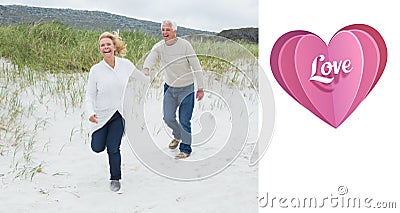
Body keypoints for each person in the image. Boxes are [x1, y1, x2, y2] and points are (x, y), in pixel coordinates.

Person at [85, 31, 138, 192]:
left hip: (120, 114)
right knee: (97, 147)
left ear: (114, 47)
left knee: (113, 147)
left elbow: (138, 81)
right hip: (101, 115)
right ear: (100, 49)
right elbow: (90, 95)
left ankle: (115, 178)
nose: (106, 47)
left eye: (108, 44)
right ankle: (100, 139)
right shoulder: (96, 70)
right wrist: (90, 112)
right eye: (102, 45)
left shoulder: (126, 64)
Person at [143, 20, 204, 159]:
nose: (164, 32)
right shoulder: (159, 47)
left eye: (168, 30)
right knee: (168, 117)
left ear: (174, 31)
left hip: (187, 89)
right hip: (170, 88)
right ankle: (177, 136)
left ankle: (186, 149)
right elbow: (151, 58)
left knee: (184, 120)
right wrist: (146, 69)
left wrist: (200, 88)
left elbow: (196, 66)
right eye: (163, 29)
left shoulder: (185, 46)